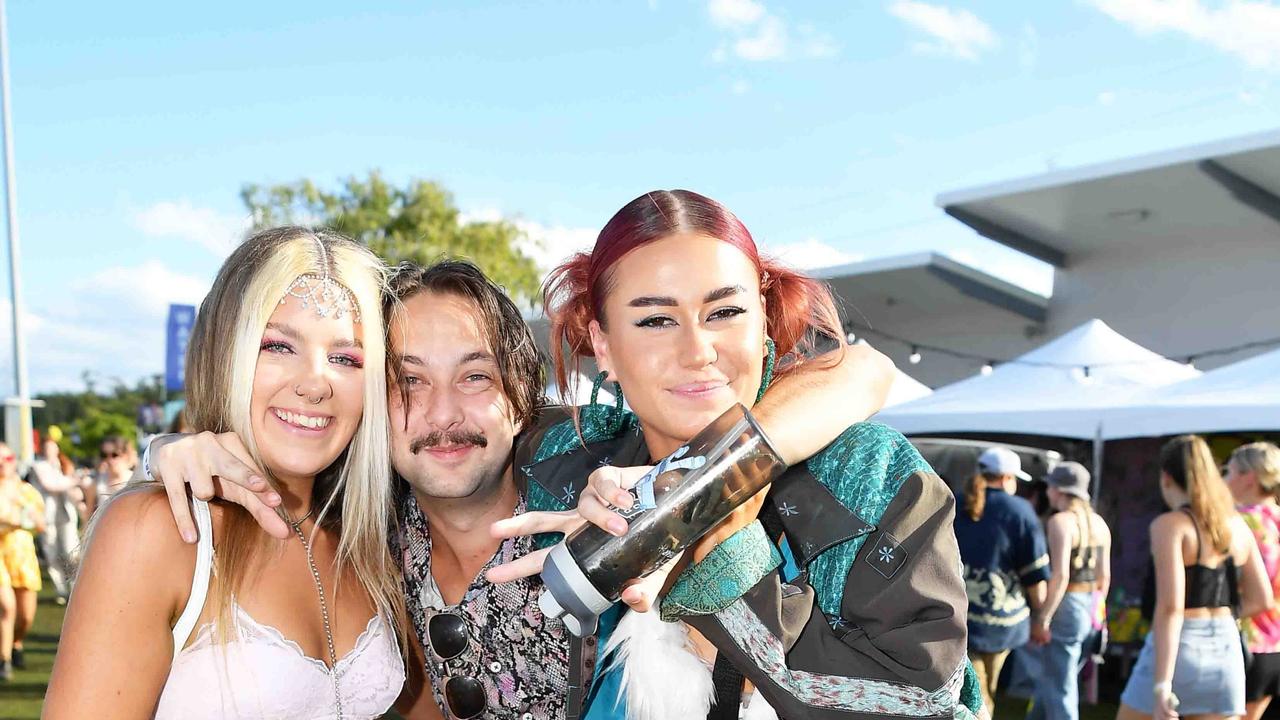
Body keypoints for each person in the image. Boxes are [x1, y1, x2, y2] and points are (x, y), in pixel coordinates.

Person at [144, 257, 896, 719]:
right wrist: (176, 445)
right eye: (408, 383)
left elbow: (858, 373)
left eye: (475, 377)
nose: (443, 415)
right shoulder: (363, 514)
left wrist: (703, 485)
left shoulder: (595, 457)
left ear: (519, 397)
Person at [495, 189, 982, 720]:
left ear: (765, 324)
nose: (698, 350)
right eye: (656, 320)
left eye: (725, 311)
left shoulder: (865, 474)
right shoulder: (563, 459)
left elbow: (930, 704)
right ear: (604, 344)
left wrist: (716, 536)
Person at [45, 228, 410, 719]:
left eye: (345, 358)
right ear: (225, 355)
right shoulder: (159, 530)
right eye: (279, 346)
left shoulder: (374, 538)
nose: (315, 384)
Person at [1117, 435, 1273, 720]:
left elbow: (1170, 608)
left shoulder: (1170, 525)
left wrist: (1162, 685)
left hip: (1180, 645)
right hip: (1226, 648)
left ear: (1166, 477)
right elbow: (1262, 598)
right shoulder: (1237, 525)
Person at [953, 445, 1050, 716]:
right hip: (1001, 624)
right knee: (983, 695)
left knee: (968, 692)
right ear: (1007, 478)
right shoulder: (1020, 512)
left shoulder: (953, 503)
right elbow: (1035, 576)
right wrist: (1041, 618)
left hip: (954, 617)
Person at [1029, 462, 1112, 720]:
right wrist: (1097, 617)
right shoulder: (1099, 523)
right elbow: (1104, 577)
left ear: (1059, 490)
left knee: (1061, 687)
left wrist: (1043, 617)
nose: (1047, 492)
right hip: (1090, 606)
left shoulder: (1060, 522)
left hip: (1067, 604)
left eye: (1050, 486)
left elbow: (1061, 574)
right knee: (1054, 677)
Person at [1226, 442, 1280, 720]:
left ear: (1248, 478)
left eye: (1229, 471)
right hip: (1274, 642)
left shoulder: (1242, 521)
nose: (1224, 480)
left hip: (1246, 639)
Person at [0, 442, 45, 681]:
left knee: (25, 615)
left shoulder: (26, 491)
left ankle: (16, 642)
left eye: (6, 459)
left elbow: (40, 524)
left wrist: (13, 520)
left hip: (22, 554)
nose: (2, 464)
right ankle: (4, 660)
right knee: (7, 607)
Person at [28, 438, 80, 604]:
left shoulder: (65, 466)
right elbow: (51, 485)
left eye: (53, 447)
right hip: (47, 517)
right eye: (47, 447)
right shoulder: (38, 466)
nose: (50, 450)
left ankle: (75, 588)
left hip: (66, 516)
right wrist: (74, 480)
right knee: (52, 553)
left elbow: (73, 490)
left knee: (71, 550)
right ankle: (61, 591)